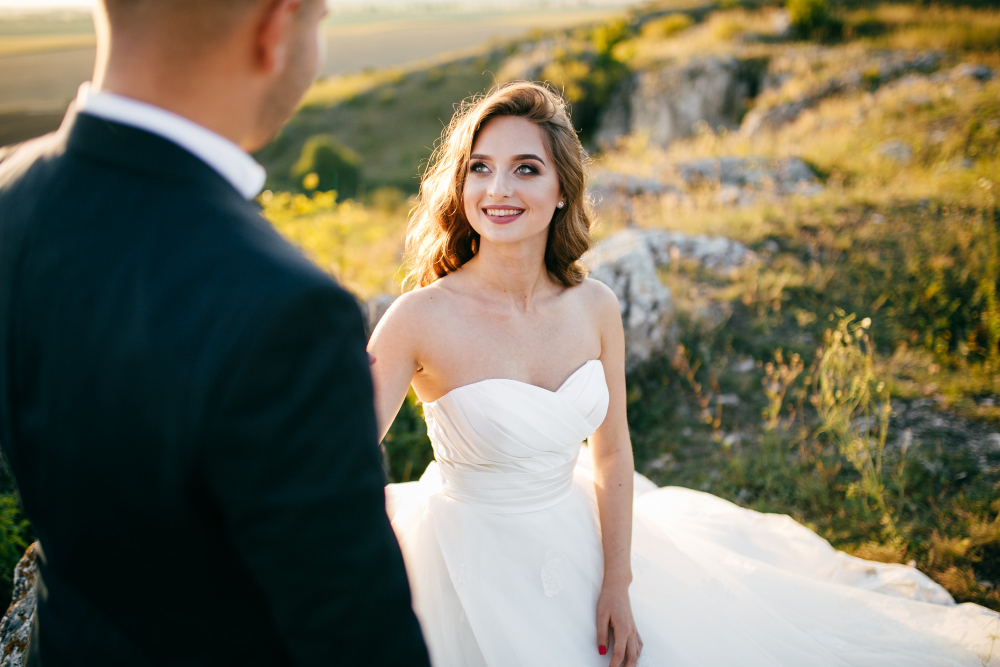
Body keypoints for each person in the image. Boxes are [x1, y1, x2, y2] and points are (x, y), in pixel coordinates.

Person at [368, 81, 1000, 667]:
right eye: (480, 168)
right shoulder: (419, 318)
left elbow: (612, 452)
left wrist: (617, 581)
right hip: (467, 561)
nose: (498, 189)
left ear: (562, 188)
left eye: (525, 168)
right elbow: (335, 453)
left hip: (583, 539)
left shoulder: (593, 306)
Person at [0, 1, 429, 665]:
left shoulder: (10, 203)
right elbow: (360, 638)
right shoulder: (289, 310)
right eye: (319, 19)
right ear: (274, 28)